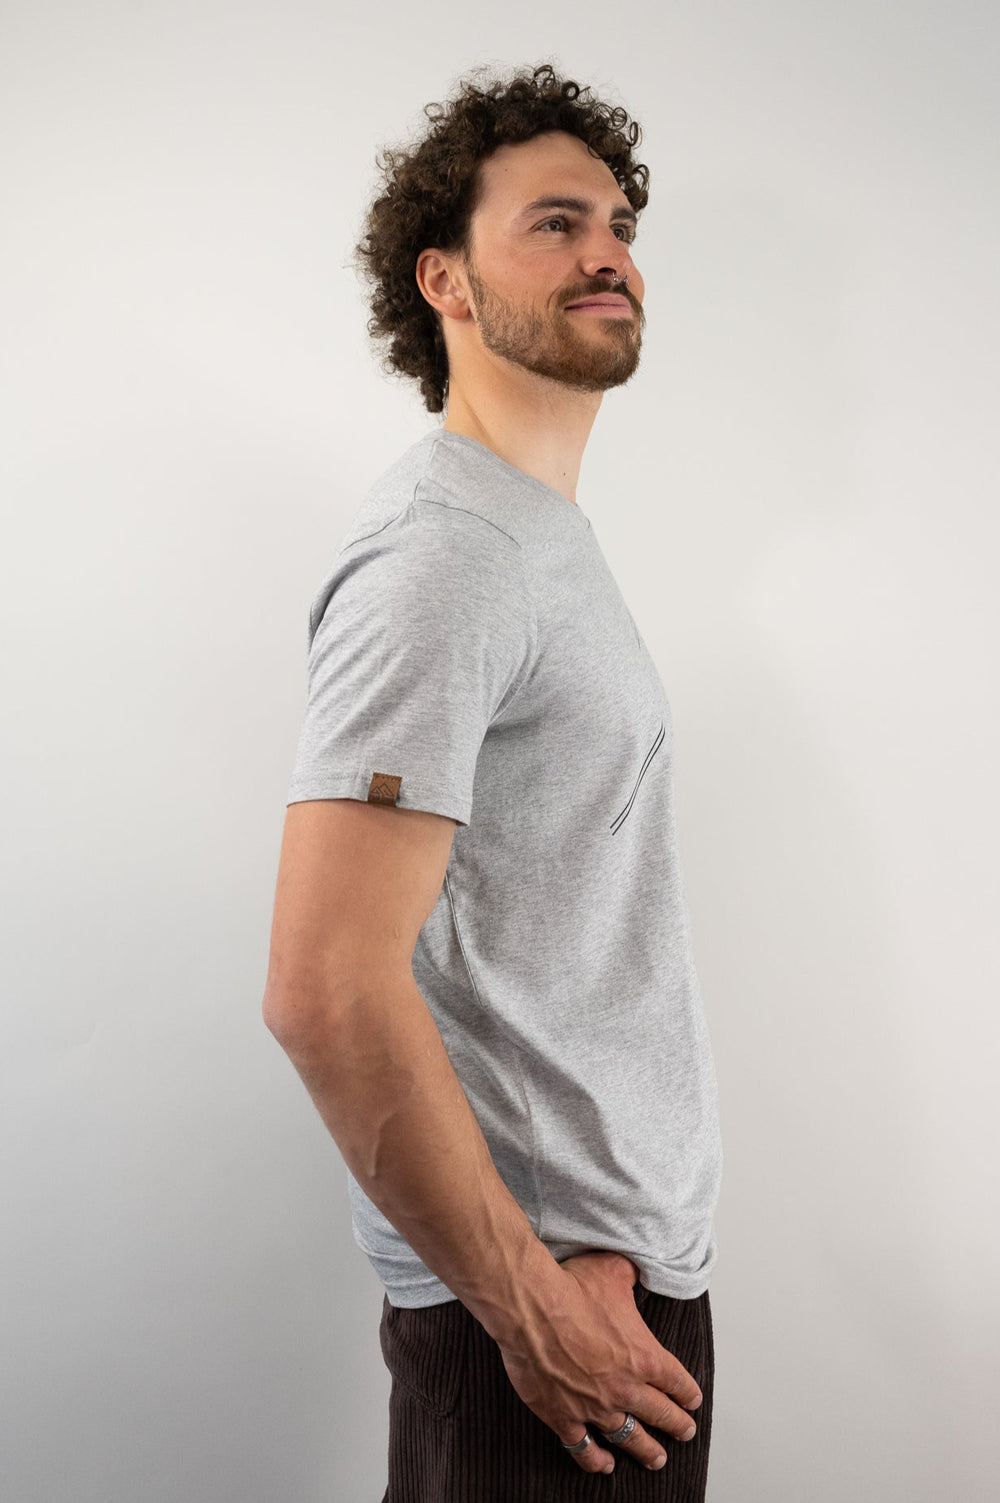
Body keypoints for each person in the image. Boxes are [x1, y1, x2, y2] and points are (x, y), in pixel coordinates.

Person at [262, 61, 724, 1502]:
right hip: (547, 1329)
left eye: (620, 224)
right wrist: (530, 1311)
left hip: (601, 1295)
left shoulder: (533, 538)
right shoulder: (445, 556)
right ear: (444, 280)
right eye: (555, 223)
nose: (609, 253)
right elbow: (325, 987)